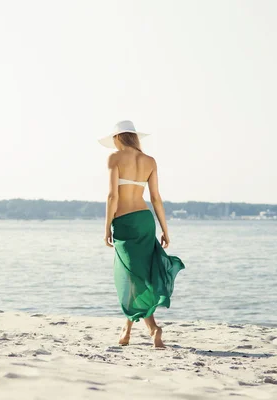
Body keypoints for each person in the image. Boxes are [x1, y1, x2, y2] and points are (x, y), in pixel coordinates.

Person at [99, 120, 185, 348]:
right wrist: (165, 230)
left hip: (125, 222)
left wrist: (106, 226)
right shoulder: (149, 161)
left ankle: (152, 328)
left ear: (118, 138)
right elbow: (156, 197)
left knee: (128, 275)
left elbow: (112, 197)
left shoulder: (114, 158)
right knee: (139, 275)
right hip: (145, 221)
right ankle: (129, 329)